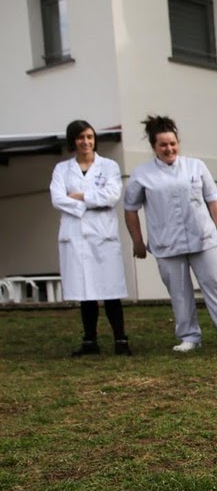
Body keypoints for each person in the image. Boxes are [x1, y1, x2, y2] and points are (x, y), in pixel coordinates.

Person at [123, 115, 217, 353]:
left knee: (216, 285)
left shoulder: (196, 166)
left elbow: (213, 201)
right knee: (179, 292)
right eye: (163, 145)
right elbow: (130, 209)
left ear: (178, 143)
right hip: (166, 242)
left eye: (172, 143)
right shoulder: (142, 174)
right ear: (154, 147)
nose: (169, 149)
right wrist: (137, 242)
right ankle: (189, 336)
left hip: (203, 237)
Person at [49, 119, 130, 356]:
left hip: (102, 236)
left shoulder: (109, 166)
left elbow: (112, 195)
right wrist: (89, 202)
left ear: (94, 140)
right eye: (81, 137)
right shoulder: (62, 169)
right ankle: (90, 341)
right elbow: (57, 199)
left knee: (110, 289)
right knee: (85, 292)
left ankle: (121, 340)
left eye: (90, 137)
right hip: (75, 237)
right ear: (73, 141)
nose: (86, 142)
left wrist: (79, 197)